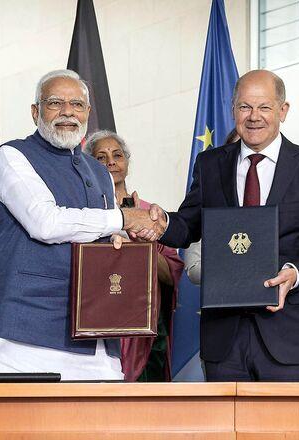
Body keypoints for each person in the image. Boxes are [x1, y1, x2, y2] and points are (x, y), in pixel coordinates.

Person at [145, 69, 299, 381]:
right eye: (245, 107)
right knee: (225, 416)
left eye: (264, 107)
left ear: (283, 110)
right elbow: (189, 225)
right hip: (224, 337)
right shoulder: (210, 164)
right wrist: (163, 223)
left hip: (289, 334)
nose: (254, 117)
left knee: (287, 417)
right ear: (233, 110)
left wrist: (295, 273)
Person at [0, 69, 161, 380]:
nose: (67, 112)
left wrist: (135, 230)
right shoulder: (11, 155)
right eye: (55, 103)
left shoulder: (100, 172)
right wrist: (123, 218)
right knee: (25, 414)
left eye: (77, 104)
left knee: (105, 413)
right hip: (28, 330)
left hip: (98, 328)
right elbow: (45, 222)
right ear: (35, 112)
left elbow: (103, 233)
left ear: (88, 113)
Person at [88, 130, 184, 381]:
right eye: (101, 157)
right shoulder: (84, 216)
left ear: (127, 163)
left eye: (117, 155)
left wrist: (143, 246)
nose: (111, 162)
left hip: (144, 331)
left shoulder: (150, 214)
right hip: (97, 325)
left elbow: (172, 274)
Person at [183, 128, 240, 285]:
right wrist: (238, 269)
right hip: (222, 296)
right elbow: (194, 269)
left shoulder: (274, 198)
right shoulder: (209, 204)